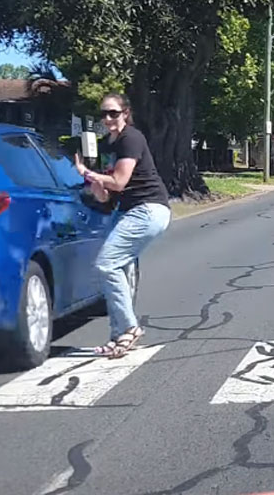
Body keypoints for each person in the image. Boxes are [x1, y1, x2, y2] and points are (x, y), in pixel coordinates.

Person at [74, 93, 171, 358]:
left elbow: (118, 181)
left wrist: (86, 172)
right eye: (104, 114)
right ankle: (119, 337)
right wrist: (93, 185)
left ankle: (129, 327)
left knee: (107, 264)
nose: (108, 119)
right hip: (127, 211)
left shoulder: (131, 138)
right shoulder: (107, 145)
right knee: (122, 272)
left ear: (125, 113)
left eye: (113, 113)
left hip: (148, 209)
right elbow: (107, 194)